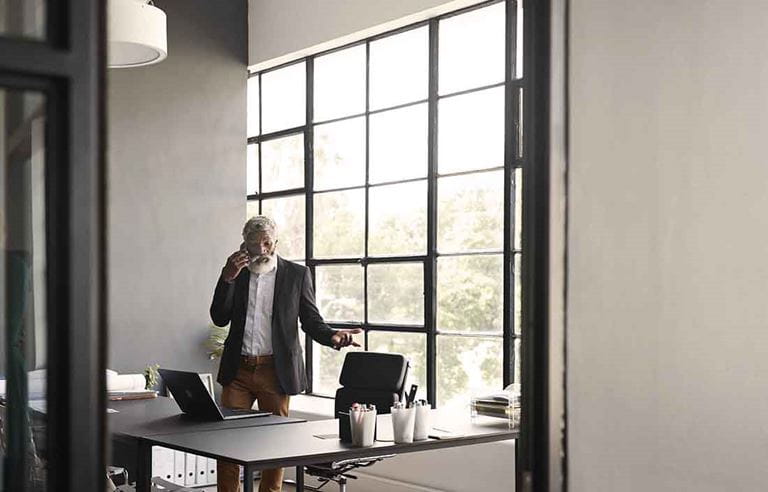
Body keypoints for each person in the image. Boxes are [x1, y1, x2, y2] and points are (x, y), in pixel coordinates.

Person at [210, 215, 361, 492]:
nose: (262, 249)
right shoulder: (236, 272)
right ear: (244, 245)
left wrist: (332, 337)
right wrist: (226, 279)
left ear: (275, 242)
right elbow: (219, 318)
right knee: (226, 443)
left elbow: (311, 320)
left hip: (274, 371)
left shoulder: (296, 274)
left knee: (274, 446)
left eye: (267, 242)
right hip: (238, 371)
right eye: (255, 244)